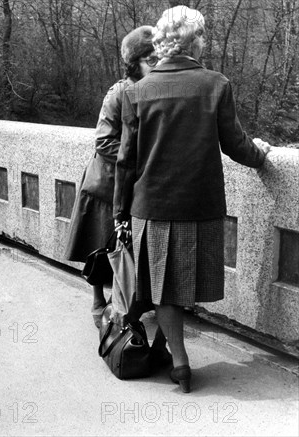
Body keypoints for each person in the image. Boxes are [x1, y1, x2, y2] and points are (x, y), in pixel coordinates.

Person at [113, 6, 272, 393]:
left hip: (151, 207)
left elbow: (125, 162)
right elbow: (235, 145)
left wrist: (120, 212)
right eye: (202, 37)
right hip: (199, 206)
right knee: (182, 284)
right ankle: (171, 354)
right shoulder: (215, 84)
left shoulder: (137, 92)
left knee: (163, 286)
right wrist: (262, 153)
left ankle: (180, 362)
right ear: (194, 41)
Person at [64, 26, 170, 364]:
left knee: (127, 252)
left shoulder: (160, 92)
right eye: (151, 60)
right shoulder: (119, 93)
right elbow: (103, 141)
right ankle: (98, 301)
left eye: (159, 59)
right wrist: (141, 159)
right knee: (99, 248)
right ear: (134, 62)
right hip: (107, 186)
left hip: (137, 189)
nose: (157, 65)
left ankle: (125, 304)